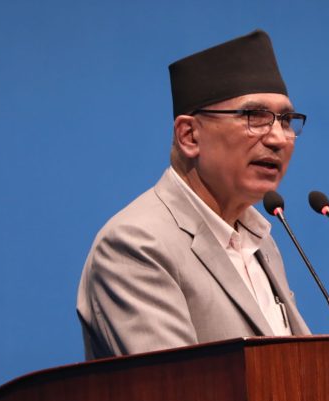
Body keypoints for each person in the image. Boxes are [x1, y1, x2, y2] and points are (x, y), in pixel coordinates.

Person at [77, 30, 310, 359]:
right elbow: (175, 388)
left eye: (286, 120)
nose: (278, 138)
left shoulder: (261, 242)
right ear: (189, 136)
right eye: (254, 117)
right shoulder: (136, 244)